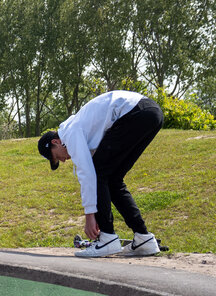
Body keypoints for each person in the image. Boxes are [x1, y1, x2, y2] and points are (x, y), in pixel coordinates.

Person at [37, 90, 163, 258]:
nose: (63, 160)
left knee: (99, 172)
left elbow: (87, 174)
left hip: (135, 113)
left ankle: (107, 238)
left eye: (56, 157)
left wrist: (90, 215)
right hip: (151, 113)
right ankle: (143, 238)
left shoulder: (71, 133)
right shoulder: (79, 128)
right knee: (113, 179)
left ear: (55, 142)